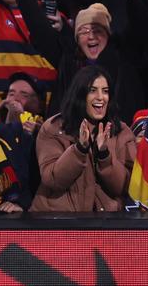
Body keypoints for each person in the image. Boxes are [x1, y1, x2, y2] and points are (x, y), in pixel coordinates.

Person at [32, 66, 133, 212]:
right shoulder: (53, 128)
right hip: (58, 218)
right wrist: (79, 149)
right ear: (79, 94)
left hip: (105, 221)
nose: (100, 97)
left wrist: (104, 154)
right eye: (92, 90)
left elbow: (125, 187)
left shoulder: (121, 132)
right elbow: (52, 179)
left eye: (105, 91)